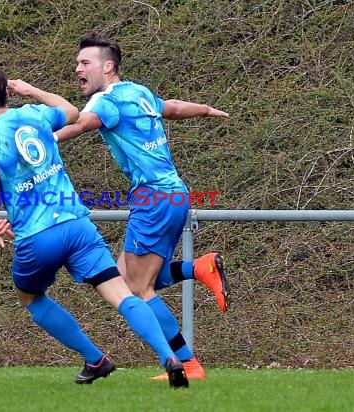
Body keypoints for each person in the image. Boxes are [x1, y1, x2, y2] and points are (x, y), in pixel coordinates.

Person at [0, 62, 189, 388]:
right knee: (123, 295)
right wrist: (31, 90)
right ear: (6, 92)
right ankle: (168, 355)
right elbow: (70, 111)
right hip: (77, 225)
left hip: (36, 235)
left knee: (31, 297)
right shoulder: (35, 114)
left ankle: (95, 358)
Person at [54, 32, 231, 381]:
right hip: (175, 195)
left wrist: (44, 138)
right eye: (77, 63)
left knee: (138, 290)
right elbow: (173, 109)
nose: (77, 69)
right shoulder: (137, 91)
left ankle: (188, 364)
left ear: (108, 67)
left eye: (84, 63)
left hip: (152, 200)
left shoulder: (106, 102)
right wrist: (206, 109)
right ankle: (199, 267)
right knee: (122, 279)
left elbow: (84, 124)